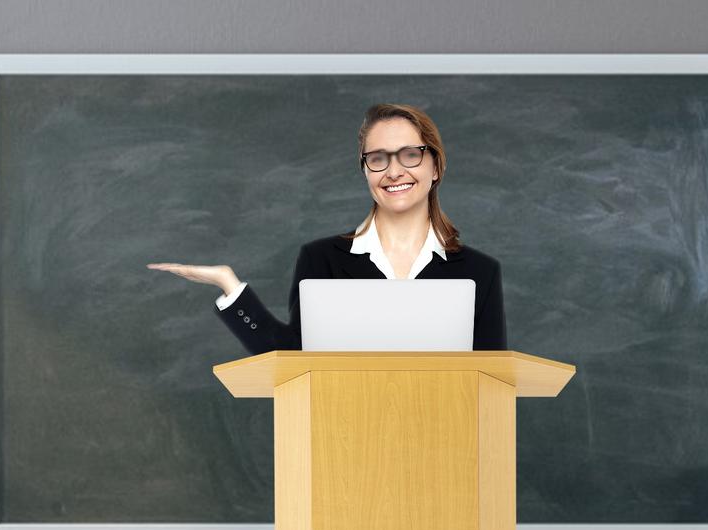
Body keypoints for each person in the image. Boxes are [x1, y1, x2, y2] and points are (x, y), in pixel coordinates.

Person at [148, 103, 507, 355]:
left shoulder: (479, 272)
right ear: (366, 171)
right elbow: (291, 359)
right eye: (378, 158)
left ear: (436, 167)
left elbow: (493, 385)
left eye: (410, 154)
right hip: (341, 447)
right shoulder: (323, 260)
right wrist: (229, 284)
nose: (394, 171)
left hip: (445, 451)